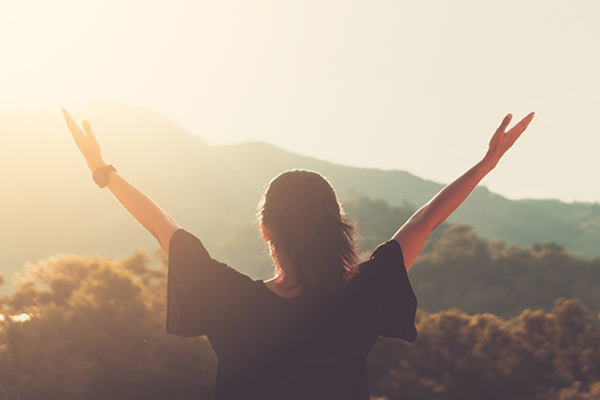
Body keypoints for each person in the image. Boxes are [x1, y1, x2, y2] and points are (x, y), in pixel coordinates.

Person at [62, 109, 534, 400]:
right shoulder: (360, 298)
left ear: (266, 230)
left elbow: (163, 229)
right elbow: (424, 223)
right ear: (337, 228)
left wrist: (102, 170)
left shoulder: (232, 301)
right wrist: (487, 163)